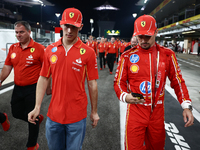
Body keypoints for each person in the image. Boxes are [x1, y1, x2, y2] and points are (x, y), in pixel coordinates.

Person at [114, 15, 194, 150]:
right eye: (140, 37)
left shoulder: (168, 55)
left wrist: (186, 105)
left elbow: (177, 81)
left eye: (148, 36)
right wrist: (124, 96)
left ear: (156, 32)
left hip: (157, 114)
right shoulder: (126, 56)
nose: (143, 40)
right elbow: (118, 82)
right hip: (135, 113)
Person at [28, 8, 100, 150]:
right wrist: (37, 107)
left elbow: (92, 84)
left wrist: (94, 111)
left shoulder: (88, 52)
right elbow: (43, 78)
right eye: (66, 26)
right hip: (54, 115)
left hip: (77, 116)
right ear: (61, 24)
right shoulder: (50, 50)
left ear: (81, 27)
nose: (69, 30)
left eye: (74, 27)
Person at [0, 21, 44, 150]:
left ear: (29, 32)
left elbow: (46, 70)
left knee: (32, 118)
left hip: (33, 88)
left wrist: (47, 87)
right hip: (18, 88)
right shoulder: (13, 48)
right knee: (16, 112)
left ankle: (32, 144)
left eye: (21, 32)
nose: (18, 35)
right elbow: (7, 67)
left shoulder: (39, 49)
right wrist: (0, 80)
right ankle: (35, 119)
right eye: (16, 32)